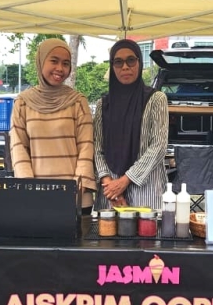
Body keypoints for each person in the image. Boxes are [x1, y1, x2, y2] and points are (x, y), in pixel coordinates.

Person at [9, 38, 96, 213]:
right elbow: (18, 147)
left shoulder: (78, 102)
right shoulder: (23, 102)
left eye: (65, 63)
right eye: (54, 61)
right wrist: (29, 187)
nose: (60, 69)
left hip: (76, 196)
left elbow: (86, 146)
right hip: (37, 196)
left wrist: (75, 188)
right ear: (41, 61)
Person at [93, 39, 169, 209]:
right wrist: (108, 183)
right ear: (112, 67)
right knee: (107, 234)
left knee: (147, 234)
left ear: (139, 63)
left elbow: (158, 146)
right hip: (110, 193)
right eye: (118, 62)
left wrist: (125, 181)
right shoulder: (103, 105)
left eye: (131, 60)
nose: (125, 67)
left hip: (146, 189)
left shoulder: (156, 99)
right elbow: (96, 148)